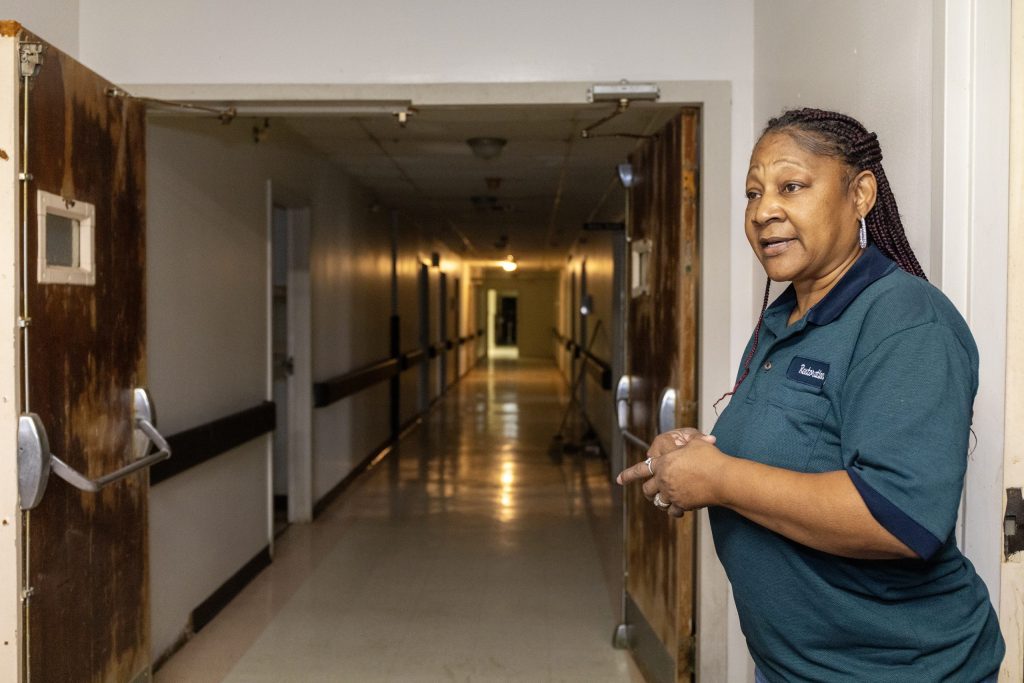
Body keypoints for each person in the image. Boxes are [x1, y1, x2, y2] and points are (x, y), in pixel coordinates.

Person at [617, 108, 1005, 682]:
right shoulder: (786, 317)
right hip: (795, 666)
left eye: (791, 186)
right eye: (753, 193)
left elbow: (901, 519)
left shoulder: (908, 321)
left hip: (898, 670)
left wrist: (719, 478)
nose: (763, 210)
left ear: (861, 194)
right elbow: (799, 451)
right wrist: (696, 456)